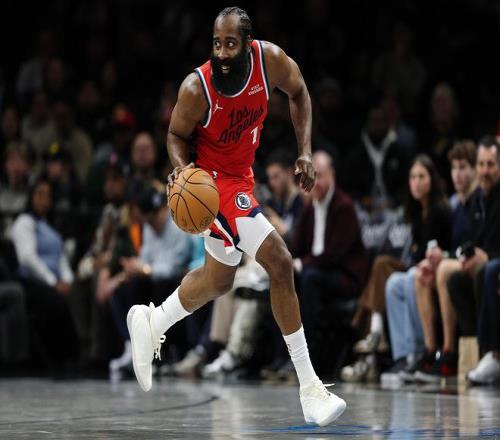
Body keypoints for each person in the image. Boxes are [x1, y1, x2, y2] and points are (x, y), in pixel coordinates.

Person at [127, 7, 346, 426]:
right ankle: (310, 388)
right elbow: (175, 134)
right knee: (280, 261)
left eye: (230, 43)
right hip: (210, 185)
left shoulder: (270, 62)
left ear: (247, 43)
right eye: (217, 43)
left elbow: (300, 92)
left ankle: (152, 321)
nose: (223, 52)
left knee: (218, 280)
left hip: (242, 178)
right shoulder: (197, 87)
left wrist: (304, 150)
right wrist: (183, 172)